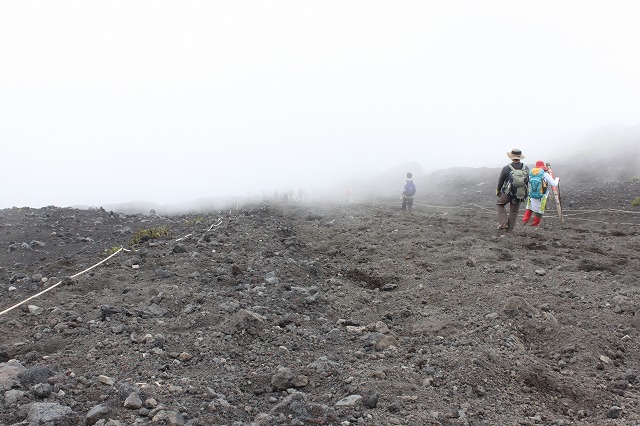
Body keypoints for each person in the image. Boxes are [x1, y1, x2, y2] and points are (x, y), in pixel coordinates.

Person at [496, 148, 528, 231]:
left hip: (508, 192)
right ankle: (509, 231)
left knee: (500, 204)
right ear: (520, 157)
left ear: (511, 157)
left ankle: (503, 223)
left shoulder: (506, 168)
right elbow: (527, 181)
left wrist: (498, 190)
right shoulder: (526, 168)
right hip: (519, 193)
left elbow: (501, 181)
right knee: (514, 212)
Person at [522, 160, 559, 227]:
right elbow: (554, 184)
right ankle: (535, 224)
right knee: (540, 210)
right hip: (542, 195)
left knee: (529, 207)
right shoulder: (545, 174)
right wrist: (557, 179)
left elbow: (528, 184)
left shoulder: (531, 174)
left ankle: (525, 221)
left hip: (531, 194)